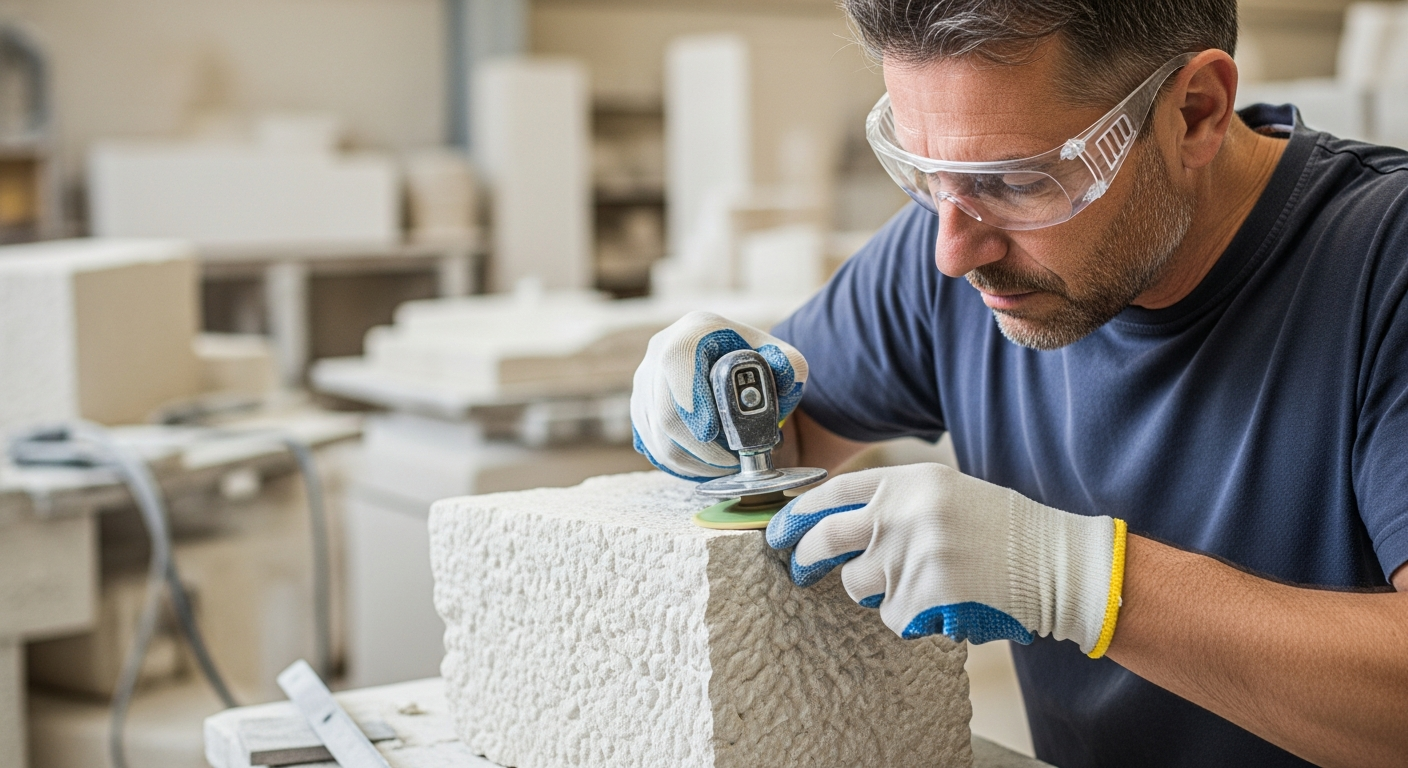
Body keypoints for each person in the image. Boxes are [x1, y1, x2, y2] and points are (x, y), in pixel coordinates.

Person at [629, 1, 1408, 766]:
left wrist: (1076, 578)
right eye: (925, 171)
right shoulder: (954, 252)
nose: (953, 253)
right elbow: (783, 436)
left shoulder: (1385, 265)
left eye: (1016, 181)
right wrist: (700, 415)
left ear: (1195, 113)